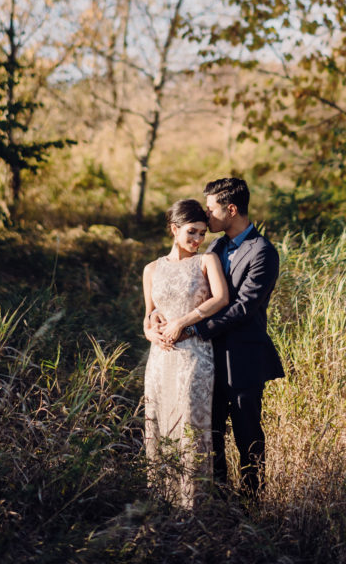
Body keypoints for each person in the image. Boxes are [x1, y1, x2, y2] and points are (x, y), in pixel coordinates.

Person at [179, 177, 284, 498]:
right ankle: (219, 499)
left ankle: (252, 500)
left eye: (211, 210)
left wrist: (196, 328)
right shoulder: (217, 246)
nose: (206, 216)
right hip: (207, 359)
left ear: (232, 209)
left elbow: (244, 307)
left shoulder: (263, 252)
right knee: (210, 434)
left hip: (244, 360)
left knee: (247, 434)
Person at [143, 198, 228, 506]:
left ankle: (193, 504)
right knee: (159, 422)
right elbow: (148, 315)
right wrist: (151, 329)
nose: (198, 240)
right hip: (160, 357)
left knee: (191, 422)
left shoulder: (206, 261)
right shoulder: (151, 269)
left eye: (202, 233)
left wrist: (183, 321)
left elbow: (221, 298)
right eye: (192, 232)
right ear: (174, 229)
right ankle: (161, 499)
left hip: (194, 353)